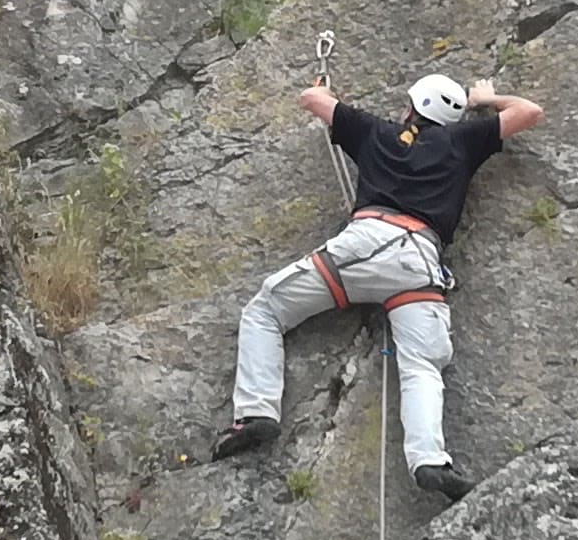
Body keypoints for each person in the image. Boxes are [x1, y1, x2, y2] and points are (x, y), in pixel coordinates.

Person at [213, 71, 544, 502]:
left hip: (365, 246)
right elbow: (530, 112)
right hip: (419, 262)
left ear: (413, 109)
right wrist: (489, 97)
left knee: (266, 310)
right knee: (422, 366)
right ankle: (430, 461)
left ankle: (256, 412)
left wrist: (327, 91)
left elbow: (311, 99)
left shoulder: (376, 132)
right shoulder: (465, 140)